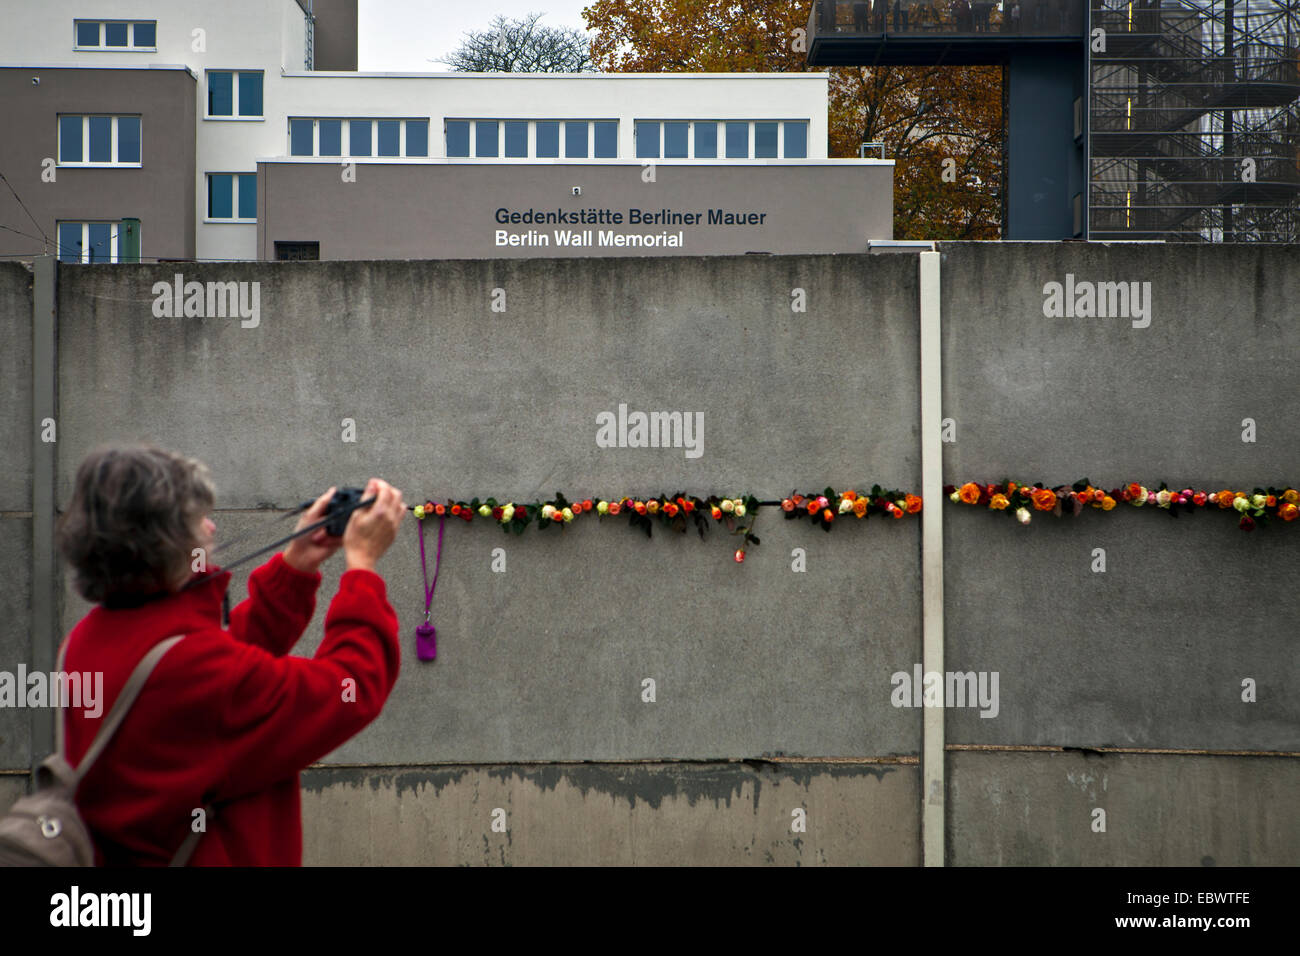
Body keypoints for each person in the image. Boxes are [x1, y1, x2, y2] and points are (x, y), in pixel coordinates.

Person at [55, 443, 406, 865]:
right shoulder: (196, 670)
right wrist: (362, 568)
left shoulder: (86, 639)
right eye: (197, 518)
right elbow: (349, 688)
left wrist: (296, 566)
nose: (212, 528)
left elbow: (223, 667)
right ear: (165, 541)